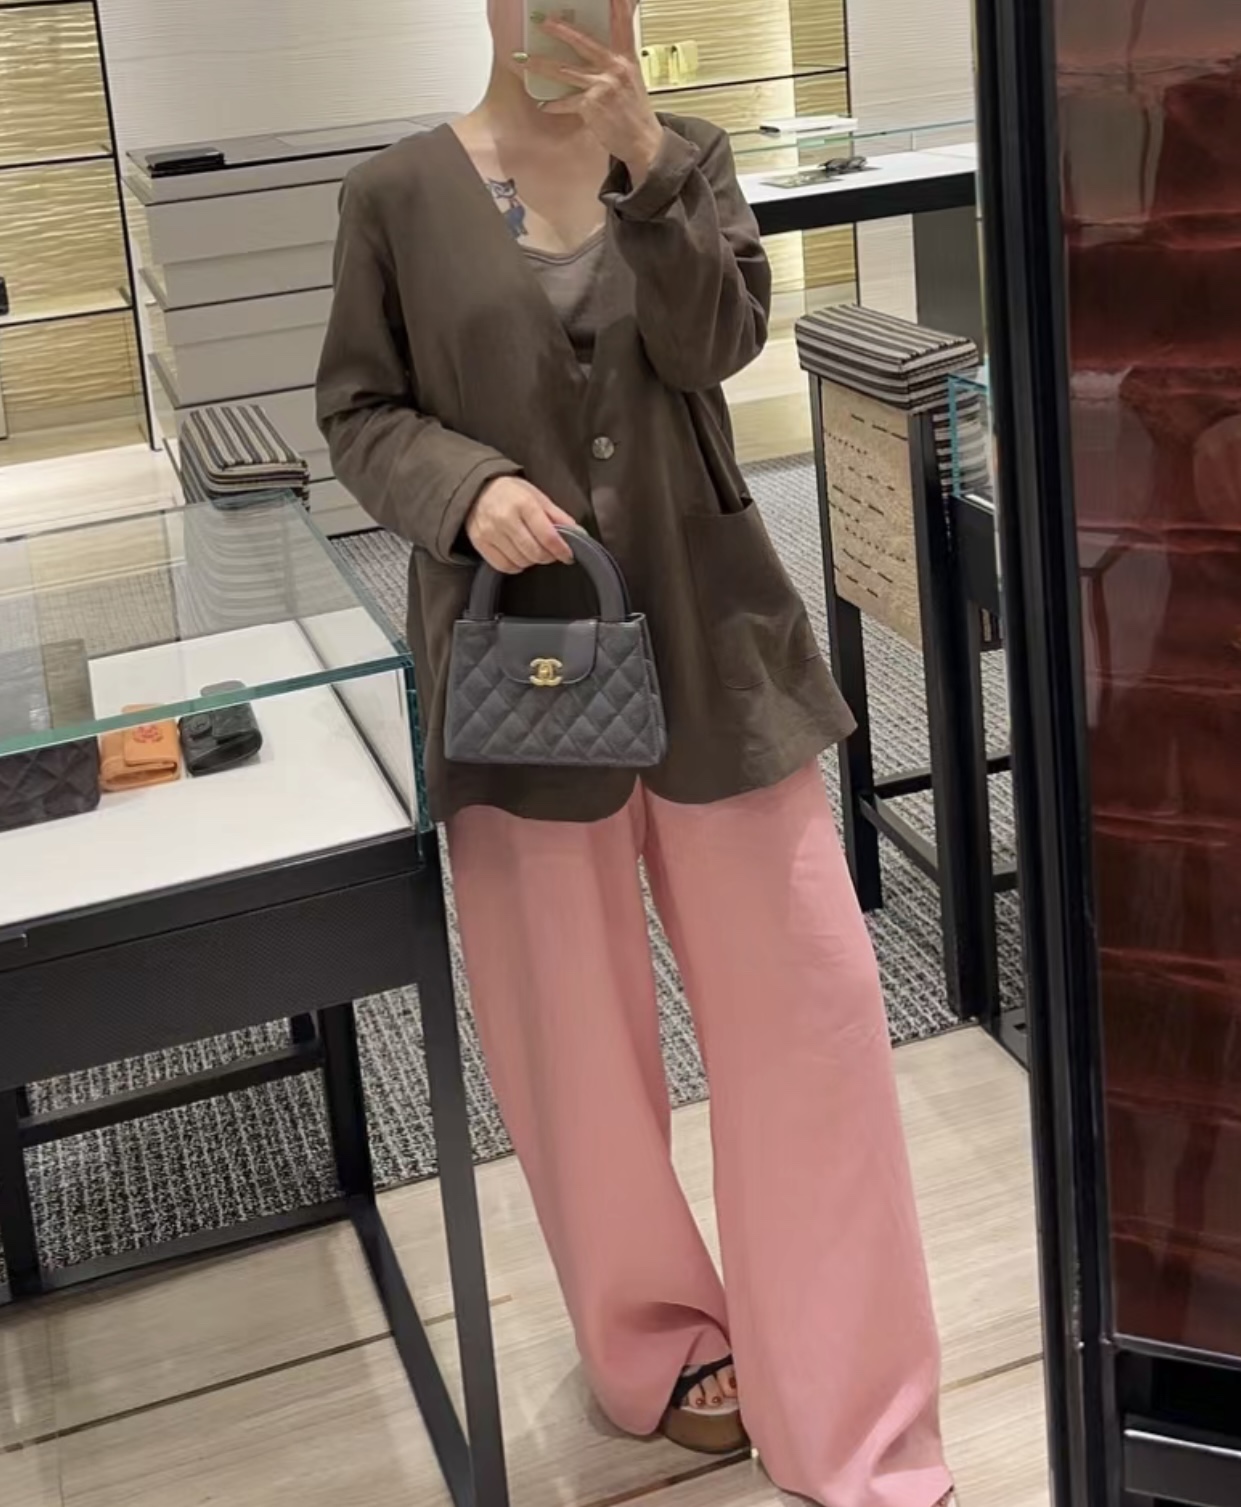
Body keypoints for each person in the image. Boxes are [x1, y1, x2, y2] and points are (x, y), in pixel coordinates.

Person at [316, 3, 953, 1503]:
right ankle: (658, 1345)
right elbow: (358, 410)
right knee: (572, 1045)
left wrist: (646, 165)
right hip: (516, 672)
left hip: (716, 641)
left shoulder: (686, 157)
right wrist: (463, 488)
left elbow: (715, 343)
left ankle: (852, 1407)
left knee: (809, 1017)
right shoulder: (395, 195)